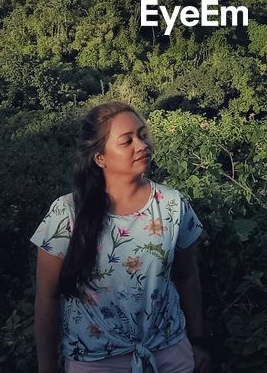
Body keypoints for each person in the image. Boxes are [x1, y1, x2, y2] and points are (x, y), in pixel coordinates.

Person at [32, 101, 213, 373]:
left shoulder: (173, 205)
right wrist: (46, 367)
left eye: (141, 135)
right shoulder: (67, 213)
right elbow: (47, 295)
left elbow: (187, 276)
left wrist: (198, 342)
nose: (141, 145)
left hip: (169, 354)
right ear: (100, 157)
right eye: (126, 141)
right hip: (95, 361)